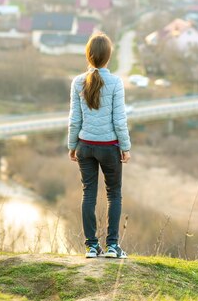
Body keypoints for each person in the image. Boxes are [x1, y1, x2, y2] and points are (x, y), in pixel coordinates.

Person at [68, 33, 131, 259]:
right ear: (108, 57)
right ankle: (113, 246)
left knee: (88, 195)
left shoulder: (78, 82)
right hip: (109, 147)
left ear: (89, 54)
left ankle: (91, 247)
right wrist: (125, 146)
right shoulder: (115, 83)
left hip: (85, 146)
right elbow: (119, 119)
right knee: (114, 194)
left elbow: (74, 119)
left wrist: (72, 145)